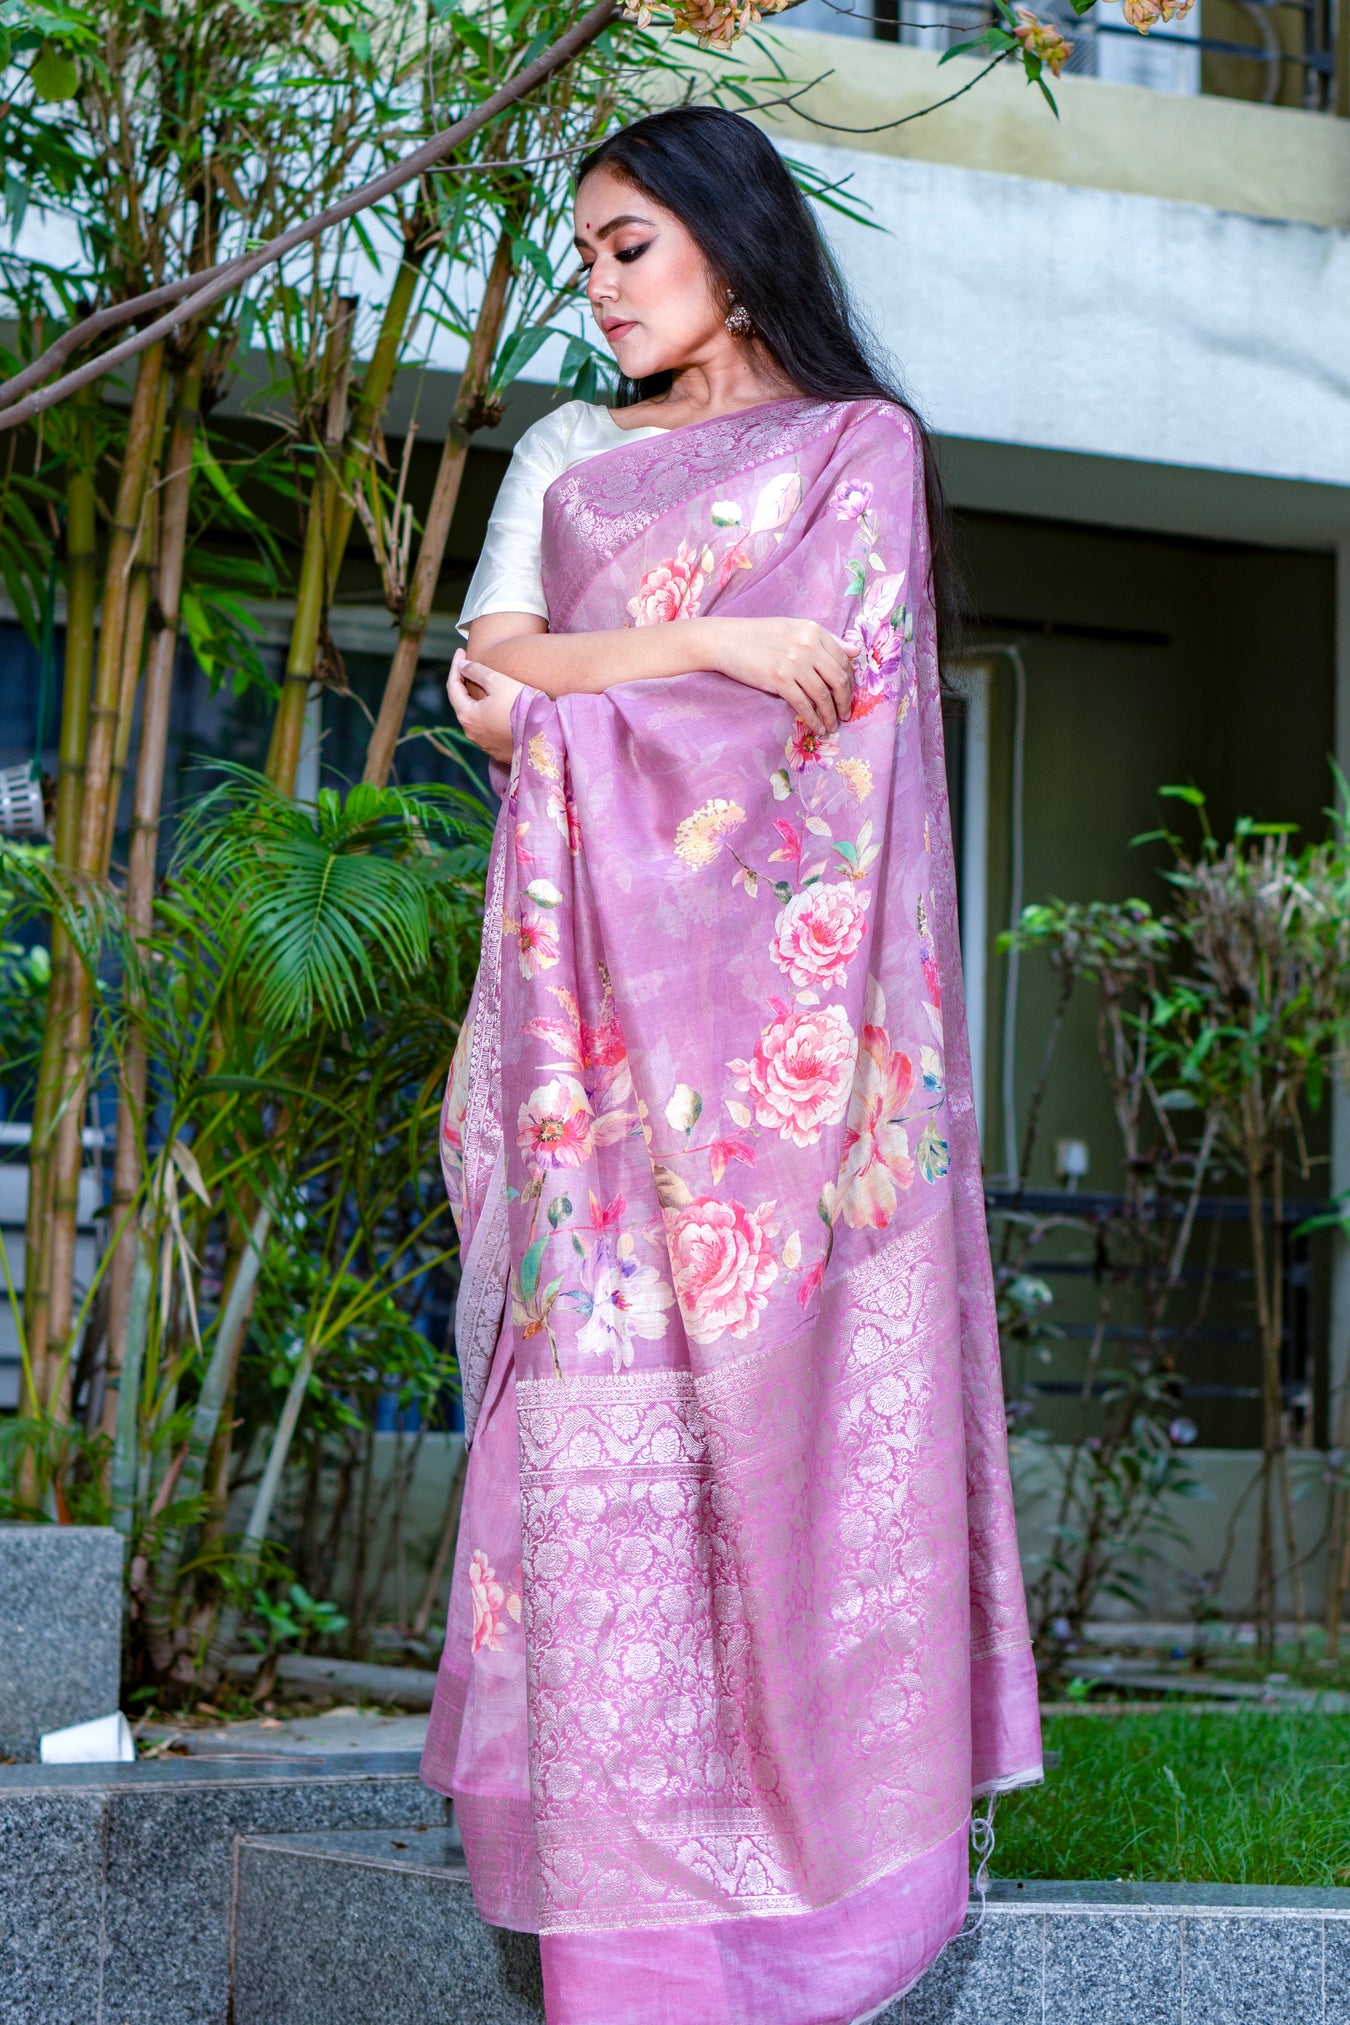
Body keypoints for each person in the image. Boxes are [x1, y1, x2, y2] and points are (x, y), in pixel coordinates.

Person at [421, 103, 1041, 2025]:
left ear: (728, 236)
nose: (600, 287)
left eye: (629, 246)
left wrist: (634, 678)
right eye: (585, 257)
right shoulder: (574, 460)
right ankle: (636, 1967)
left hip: (788, 1077)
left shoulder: (858, 451)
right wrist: (722, 643)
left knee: (782, 1452)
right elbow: (493, 681)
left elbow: (832, 762)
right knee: (591, 1458)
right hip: (584, 1062)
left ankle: (806, 1932)